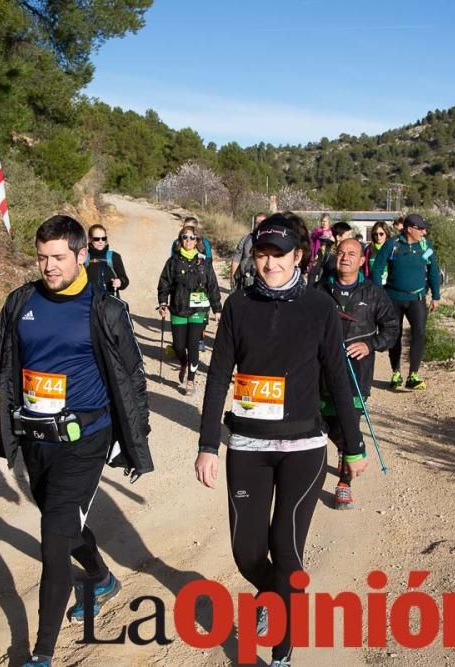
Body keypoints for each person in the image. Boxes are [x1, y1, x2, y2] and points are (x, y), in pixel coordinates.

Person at [0, 214, 153, 667]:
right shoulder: (21, 302)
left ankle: (41, 653)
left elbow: (132, 378)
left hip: (86, 438)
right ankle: (103, 578)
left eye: (59, 258)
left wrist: (134, 438)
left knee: (52, 538)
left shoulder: (103, 308)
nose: (49, 267)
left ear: (82, 255)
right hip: (34, 440)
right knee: (62, 521)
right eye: (42, 257)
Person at [195, 212, 367, 667]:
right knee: (247, 552)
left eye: (279, 255)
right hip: (248, 446)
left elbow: (336, 376)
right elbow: (217, 378)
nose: (269, 264)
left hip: (303, 448)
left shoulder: (319, 308)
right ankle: (275, 595)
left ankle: (282, 654)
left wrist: (353, 445)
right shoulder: (238, 306)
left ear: (299, 258)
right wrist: (207, 444)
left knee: (286, 550)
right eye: (262, 254)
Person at [320, 238, 398, 509]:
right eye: (341, 253)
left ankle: (344, 484)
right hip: (320, 378)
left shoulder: (373, 293)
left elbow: (391, 328)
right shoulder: (319, 290)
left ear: (362, 261)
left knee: (349, 425)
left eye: (351, 254)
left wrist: (370, 344)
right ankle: (345, 449)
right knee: (322, 428)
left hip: (356, 376)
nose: (345, 258)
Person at [369, 213, 441, 391]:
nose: (424, 232)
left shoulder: (426, 246)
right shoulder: (392, 245)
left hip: (417, 298)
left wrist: (436, 296)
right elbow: (377, 269)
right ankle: (396, 373)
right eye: (421, 228)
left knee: (420, 333)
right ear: (410, 229)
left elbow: (433, 270)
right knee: (395, 335)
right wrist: (379, 294)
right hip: (393, 299)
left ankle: (413, 375)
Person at [157, 225, 223, 396]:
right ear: (180, 241)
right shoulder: (173, 262)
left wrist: (217, 309)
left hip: (198, 309)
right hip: (178, 308)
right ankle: (184, 362)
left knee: (193, 344)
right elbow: (164, 283)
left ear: (197, 241)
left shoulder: (204, 262)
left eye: (192, 237)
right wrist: (163, 302)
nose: (188, 241)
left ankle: (191, 380)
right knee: (179, 346)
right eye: (185, 237)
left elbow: (213, 286)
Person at [84, 224, 129, 297]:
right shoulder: (83, 257)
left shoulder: (114, 257)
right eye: (96, 239)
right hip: (90, 302)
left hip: (110, 303)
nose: (100, 241)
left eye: (103, 238)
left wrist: (120, 282)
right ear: (90, 239)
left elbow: (125, 280)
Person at [307, 221, 354, 287]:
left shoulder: (352, 250)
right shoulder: (325, 250)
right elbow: (313, 272)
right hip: (326, 289)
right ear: (338, 237)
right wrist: (310, 290)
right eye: (348, 235)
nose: (351, 237)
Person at [230, 212, 268, 291]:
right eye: (257, 222)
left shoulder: (271, 241)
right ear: (254, 224)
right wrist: (232, 277)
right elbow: (236, 259)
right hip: (245, 283)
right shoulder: (246, 239)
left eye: (262, 222)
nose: (260, 225)